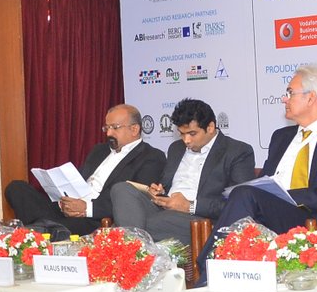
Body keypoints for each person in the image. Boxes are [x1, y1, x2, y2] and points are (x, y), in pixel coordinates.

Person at [197, 64, 317, 275]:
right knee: (242, 195)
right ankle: (220, 272)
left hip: (310, 217)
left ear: (311, 98)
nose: (284, 99)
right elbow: (263, 183)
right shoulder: (281, 137)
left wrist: (285, 195)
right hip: (267, 214)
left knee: (244, 194)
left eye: (290, 93)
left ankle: (206, 271)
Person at [3, 105, 165, 239]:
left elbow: (133, 201)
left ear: (134, 129)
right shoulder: (99, 150)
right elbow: (78, 181)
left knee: (50, 227)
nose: (109, 133)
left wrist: (86, 208)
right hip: (67, 210)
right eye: (106, 127)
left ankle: (38, 231)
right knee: (16, 188)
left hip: (93, 218)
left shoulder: (151, 157)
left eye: (115, 128)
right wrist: (64, 200)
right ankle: (43, 229)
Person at [107, 98, 256, 244]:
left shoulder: (237, 151)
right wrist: (159, 190)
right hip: (164, 208)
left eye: (192, 133)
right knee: (121, 189)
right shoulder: (176, 148)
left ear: (210, 127)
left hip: (199, 219)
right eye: (182, 133)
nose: (186, 140)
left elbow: (239, 203)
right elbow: (167, 185)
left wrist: (190, 205)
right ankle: (134, 243)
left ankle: (128, 242)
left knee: (136, 223)